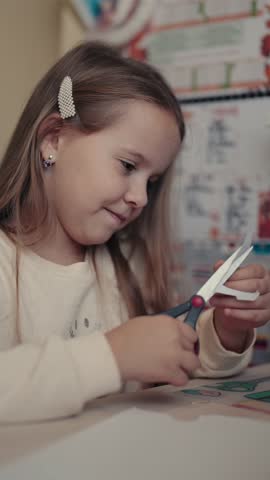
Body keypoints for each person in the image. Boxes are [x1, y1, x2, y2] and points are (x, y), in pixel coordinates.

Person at [0, 41, 269, 424]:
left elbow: (171, 361)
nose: (141, 198)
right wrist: (112, 355)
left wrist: (228, 329)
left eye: (153, 181)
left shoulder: (125, 265)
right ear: (54, 139)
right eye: (128, 166)